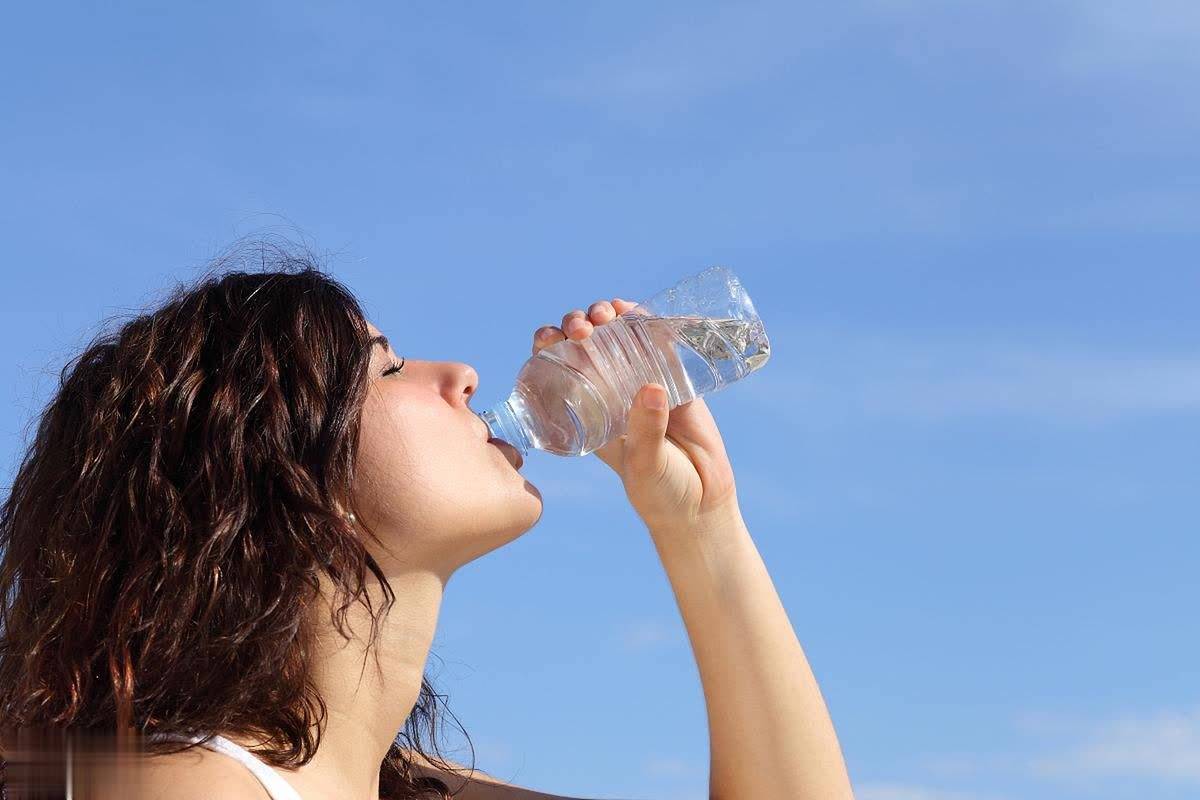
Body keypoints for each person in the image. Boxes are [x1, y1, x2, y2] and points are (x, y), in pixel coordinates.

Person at [0, 239, 854, 799]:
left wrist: (702, 526)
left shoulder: (381, 783)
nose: (463, 374)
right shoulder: (188, 786)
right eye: (386, 367)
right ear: (280, 479)